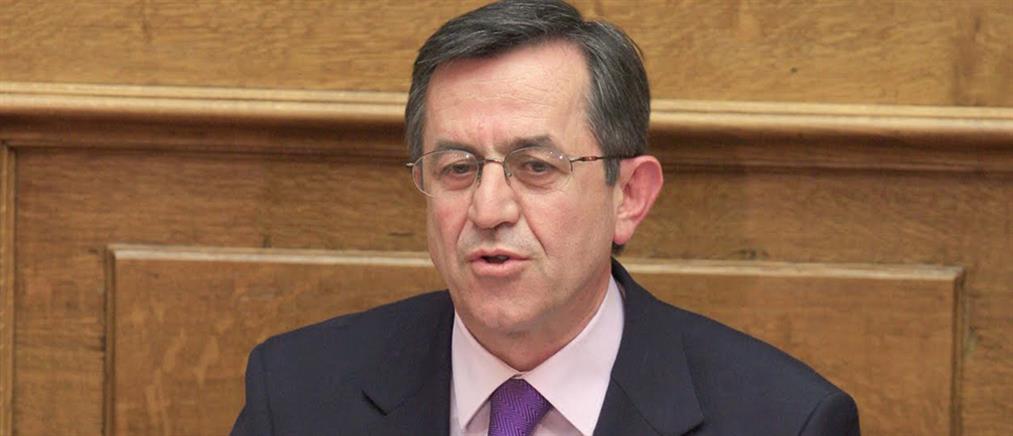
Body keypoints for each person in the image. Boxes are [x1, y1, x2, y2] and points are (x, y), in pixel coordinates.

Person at [231, 1, 860, 435]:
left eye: (535, 166)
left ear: (629, 196)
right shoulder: (296, 395)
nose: (488, 210)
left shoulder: (785, 421)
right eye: (457, 167)